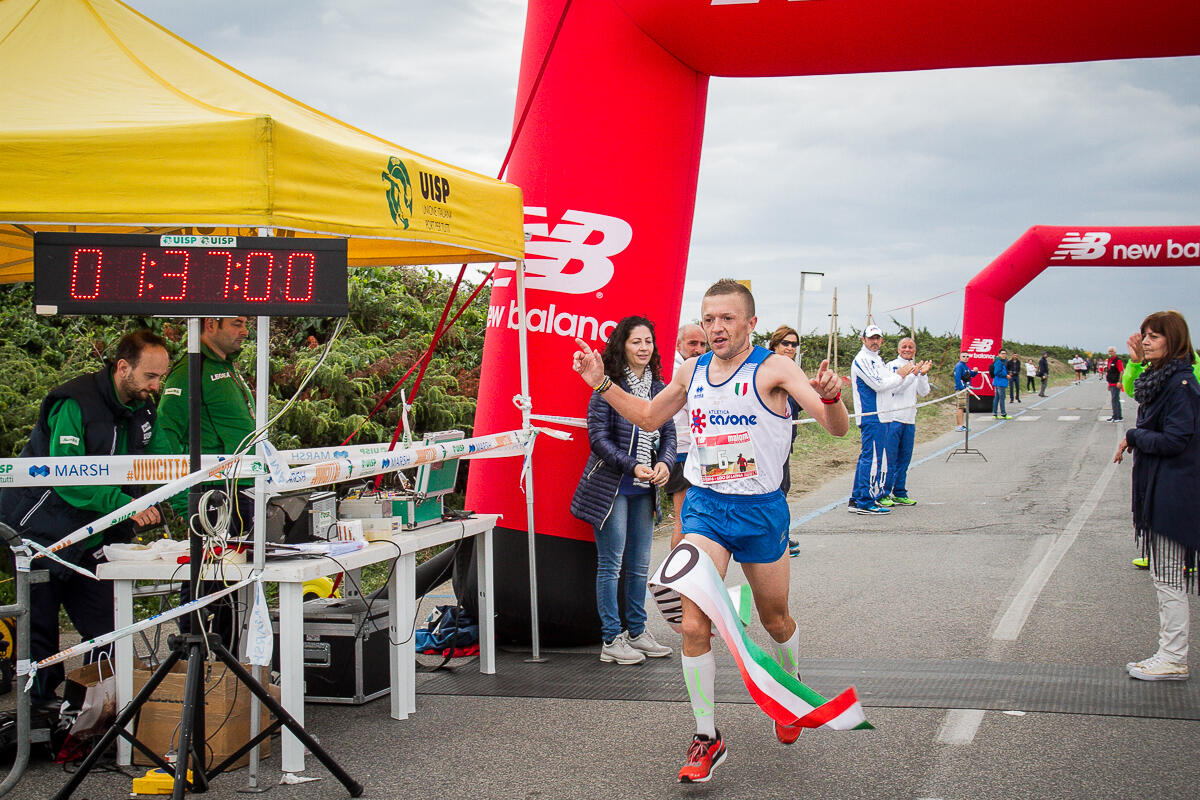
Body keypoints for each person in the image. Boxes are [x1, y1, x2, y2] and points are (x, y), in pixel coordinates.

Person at [571, 279, 848, 783]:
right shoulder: (692, 370)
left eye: (727, 318)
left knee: (776, 619)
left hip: (761, 511)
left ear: (750, 323)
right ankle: (706, 736)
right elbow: (649, 417)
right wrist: (600, 383)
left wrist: (832, 399)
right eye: (709, 319)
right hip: (706, 509)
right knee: (694, 624)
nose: (716, 328)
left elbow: (835, 427)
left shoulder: (775, 368)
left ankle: (789, 688)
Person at [0, 330, 169, 707]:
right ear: (123, 367)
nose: (156, 387)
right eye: (150, 376)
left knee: (107, 629)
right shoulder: (74, 402)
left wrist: (191, 485)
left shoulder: (143, 408)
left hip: (93, 536)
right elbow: (66, 477)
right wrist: (127, 505)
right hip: (40, 531)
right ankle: (38, 716)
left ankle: (89, 711)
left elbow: (165, 460)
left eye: (161, 378)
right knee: (39, 633)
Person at [569, 316, 676, 665]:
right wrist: (632, 466)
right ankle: (611, 639)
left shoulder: (659, 388)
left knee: (639, 565)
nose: (644, 348)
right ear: (622, 346)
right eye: (636, 342)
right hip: (612, 489)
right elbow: (598, 439)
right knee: (611, 565)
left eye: (648, 341)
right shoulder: (607, 387)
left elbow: (669, 434)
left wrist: (665, 463)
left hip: (645, 490)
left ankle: (637, 632)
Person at [147, 316, 257, 645]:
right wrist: (186, 503)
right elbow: (165, 440)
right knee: (205, 580)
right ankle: (193, 653)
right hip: (213, 497)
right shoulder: (188, 373)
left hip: (243, 492)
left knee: (232, 583)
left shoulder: (228, 367)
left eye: (246, 323)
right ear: (210, 324)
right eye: (236, 323)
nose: (245, 331)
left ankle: (228, 656)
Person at [1113, 310, 1200, 681]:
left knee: (1168, 579)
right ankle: (1170, 654)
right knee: (1166, 577)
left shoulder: (1181, 384)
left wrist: (1135, 436)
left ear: (1173, 340)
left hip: (1174, 490)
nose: (1146, 341)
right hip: (1161, 485)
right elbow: (1137, 391)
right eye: (1145, 334)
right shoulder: (1161, 379)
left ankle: (1173, 657)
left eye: (1155, 336)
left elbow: (1177, 439)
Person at [848, 326, 917, 514]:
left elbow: (892, 385)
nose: (875, 341)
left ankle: (857, 498)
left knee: (870, 457)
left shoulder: (878, 360)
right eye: (871, 338)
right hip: (872, 415)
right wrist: (900, 375)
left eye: (877, 338)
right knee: (872, 459)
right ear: (863, 339)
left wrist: (908, 375)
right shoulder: (862, 359)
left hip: (885, 415)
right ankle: (865, 501)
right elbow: (879, 384)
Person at [666, 324, 707, 547]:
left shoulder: (694, 368)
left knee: (696, 519)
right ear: (678, 344)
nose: (698, 349)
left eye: (702, 344)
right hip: (682, 451)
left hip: (695, 450)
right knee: (685, 519)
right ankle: (677, 566)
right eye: (692, 343)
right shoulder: (678, 370)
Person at [878, 337, 931, 507]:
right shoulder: (892, 366)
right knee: (890, 458)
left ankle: (899, 492)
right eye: (904, 347)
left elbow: (924, 392)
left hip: (909, 419)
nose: (907, 349)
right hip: (893, 418)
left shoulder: (916, 367)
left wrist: (922, 374)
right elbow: (894, 389)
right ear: (898, 349)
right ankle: (883, 493)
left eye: (910, 347)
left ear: (915, 350)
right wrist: (911, 375)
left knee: (904, 459)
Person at [768, 325, 803, 556]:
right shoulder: (768, 368)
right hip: (768, 441)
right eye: (785, 343)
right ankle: (776, 538)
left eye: (793, 344)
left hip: (786, 441)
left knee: (783, 488)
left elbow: (800, 403)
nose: (790, 348)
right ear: (775, 345)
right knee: (773, 490)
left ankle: (780, 535)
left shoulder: (794, 370)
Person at [953, 352, 978, 432]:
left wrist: (975, 371)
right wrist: (962, 388)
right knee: (960, 407)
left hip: (966, 389)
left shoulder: (965, 366)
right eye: (963, 356)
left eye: (967, 356)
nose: (965, 358)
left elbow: (970, 374)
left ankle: (961, 424)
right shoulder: (959, 366)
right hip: (961, 390)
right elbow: (957, 378)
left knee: (963, 407)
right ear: (960, 357)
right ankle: (959, 425)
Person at [1102, 346, 1125, 422]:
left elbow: (1121, 371)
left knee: (1114, 399)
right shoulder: (1109, 360)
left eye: (1111, 351)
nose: (1110, 352)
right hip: (1111, 382)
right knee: (1115, 399)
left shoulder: (1117, 361)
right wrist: (1109, 384)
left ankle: (1116, 416)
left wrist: (1119, 381)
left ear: (1115, 352)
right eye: (1109, 351)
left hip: (1116, 382)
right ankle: (1118, 416)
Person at [991, 349, 1011, 419]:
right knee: (1002, 398)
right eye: (1002, 353)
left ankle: (995, 413)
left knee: (997, 398)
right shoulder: (999, 362)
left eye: (1005, 353)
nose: (1004, 355)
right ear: (999, 354)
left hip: (999, 382)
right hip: (1000, 383)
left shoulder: (1001, 361)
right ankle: (1003, 413)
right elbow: (996, 372)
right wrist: (1006, 375)